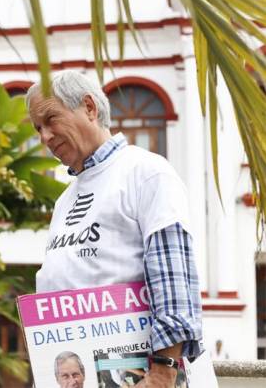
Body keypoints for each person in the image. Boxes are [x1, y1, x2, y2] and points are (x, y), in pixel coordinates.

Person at [26, 71, 203, 387]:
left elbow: (172, 276)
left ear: (90, 108)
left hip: (140, 375)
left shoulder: (145, 172)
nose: (45, 137)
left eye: (51, 119)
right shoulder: (65, 199)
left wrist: (163, 372)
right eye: (38, 128)